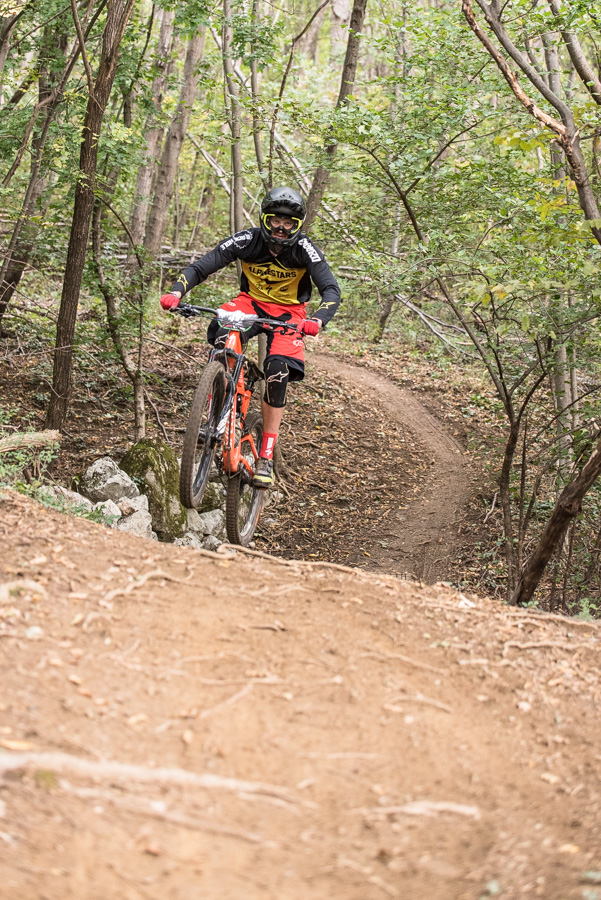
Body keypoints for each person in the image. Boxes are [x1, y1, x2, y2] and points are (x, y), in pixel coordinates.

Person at [160, 186, 341, 488]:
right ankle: (218, 411)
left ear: (297, 226)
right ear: (264, 219)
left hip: (289, 314)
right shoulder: (247, 240)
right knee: (223, 334)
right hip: (250, 304)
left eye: (289, 223)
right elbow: (202, 266)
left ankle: (266, 455)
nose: (281, 228)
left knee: (278, 371)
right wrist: (177, 291)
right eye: (275, 221)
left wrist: (318, 320)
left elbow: (331, 290)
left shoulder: (305, 249)